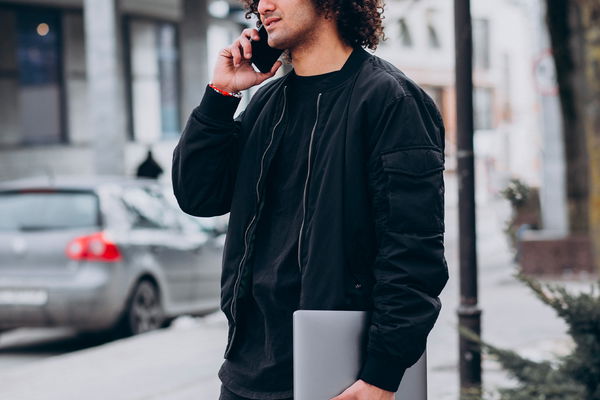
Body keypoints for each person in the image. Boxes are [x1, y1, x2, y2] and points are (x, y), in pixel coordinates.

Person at [171, 0, 449, 398]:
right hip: (248, 370)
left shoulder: (390, 101)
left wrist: (382, 375)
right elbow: (199, 196)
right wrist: (221, 96)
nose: (263, 5)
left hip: (341, 373)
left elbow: (413, 253)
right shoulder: (266, 103)